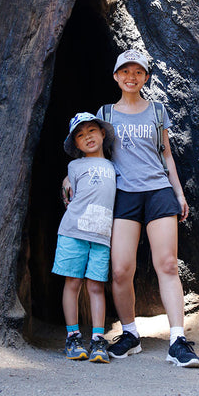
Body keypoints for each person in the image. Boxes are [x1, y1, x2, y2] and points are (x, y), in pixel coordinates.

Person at [96, 48, 199, 368]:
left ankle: (178, 340)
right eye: (125, 72)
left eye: (138, 72)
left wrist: (179, 195)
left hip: (158, 191)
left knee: (167, 264)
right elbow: (94, 155)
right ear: (116, 76)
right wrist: (70, 180)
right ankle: (130, 334)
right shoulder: (105, 114)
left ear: (145, 77)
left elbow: (167, 154)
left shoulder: (157, 111)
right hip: (123, 194)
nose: (131, 77)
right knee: (120, 270)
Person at [52, 112, 116, 362]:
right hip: (73, 231)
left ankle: (98, 339)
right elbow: (70, 197)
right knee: (73, 283)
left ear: (102, 134)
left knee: (96, 286)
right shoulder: (75, 166)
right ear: (76, 145)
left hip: (102, 236)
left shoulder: (114, 166)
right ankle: (73, 337)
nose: (87, 137)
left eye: (91, 131)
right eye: (80, 135)